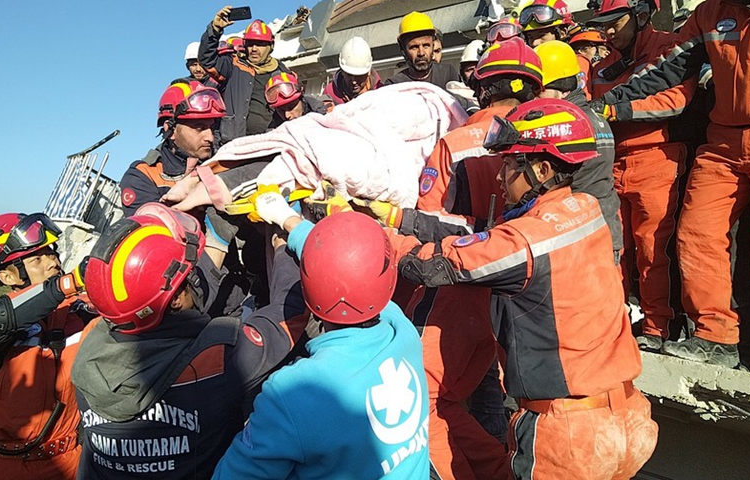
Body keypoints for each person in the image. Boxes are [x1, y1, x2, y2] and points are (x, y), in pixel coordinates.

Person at [389, 98, 658, 479]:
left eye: (511, 165)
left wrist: (381, 238)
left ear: (543, 169)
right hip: (627, 418)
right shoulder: (588, 210)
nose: (500, 176)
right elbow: (489, 237)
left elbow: (437, 265)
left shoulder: (526, 240)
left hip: (567, 438)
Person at [355, 38, 544, 480]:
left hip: (456, 293)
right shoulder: (544, 145)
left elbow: (431, 224)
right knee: (491, 396)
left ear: (482, 87)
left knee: (427, 403)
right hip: (523, 295)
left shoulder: (455, 144)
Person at [591, 0, 750, 376]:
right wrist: (603, 104)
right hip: (723, 144)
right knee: (696, 234)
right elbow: (670, 69)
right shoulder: (709, 13)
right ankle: (714, 337)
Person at [71, 203, 308, 479]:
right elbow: (291, 312)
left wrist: (217, 241)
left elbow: (166, 309)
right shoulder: (214, 361)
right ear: (175, 302)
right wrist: (283, 243)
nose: (194, 278)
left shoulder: (87, 360)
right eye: (189, 277)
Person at [212, 210, 430, 479]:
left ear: (307, 289)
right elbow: (351, 268)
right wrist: (291, 222)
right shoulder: (403, 331)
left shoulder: (292, 395)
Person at [586, 0, 695, 351]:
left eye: (615, 22)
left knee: (653, 250)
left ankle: (657, 327)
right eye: (603, 23)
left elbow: (675, 101)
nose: (608, 30)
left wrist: (615, 110)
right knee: (612, 251)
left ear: (641, 16)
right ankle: (612, 324)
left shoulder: (668, 47)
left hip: (656, 157)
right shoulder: (600, 66)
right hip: (611, 162)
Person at [0, 213, 94, 480]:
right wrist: (70, 283)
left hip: (72, 464)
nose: (52, 261)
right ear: (8, 276)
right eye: (37, 258)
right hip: (0, 468)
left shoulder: (80, 310)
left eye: (51, 253)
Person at [535, 40, 622, 261]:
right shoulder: (594, 118)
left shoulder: (567, 125)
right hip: (605, 229)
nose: (534, 98)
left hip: (582, 239)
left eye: (539, 90)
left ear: (562, 89)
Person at [119, 80, 225, 216]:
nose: (210, 137)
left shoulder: (223, 164)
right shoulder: (143, 175)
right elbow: (153, 231)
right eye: (200, 128)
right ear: (171, 129)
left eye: (212, 127)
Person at [200, 8, 289, 143]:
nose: (254, 49)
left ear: (271, 46)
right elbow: (207, 60)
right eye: (250, 44)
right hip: (232, 144)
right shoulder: (233, 65)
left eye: (260, 44)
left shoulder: (282, 73)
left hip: (268, 145)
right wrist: (214, 30)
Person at [384, 11, 460, 89]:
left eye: (426, 45)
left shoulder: (448, 73)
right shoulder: (394, 85)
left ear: (432, 46)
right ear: (403, 51)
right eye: (414, 47)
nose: (421, 53)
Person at [323, 36, 383, 105]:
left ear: (368, 72)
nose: (354, 81)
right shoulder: (330, 93)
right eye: (349, 75)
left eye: (359, 76)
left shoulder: (379, 93)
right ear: (342, 71)